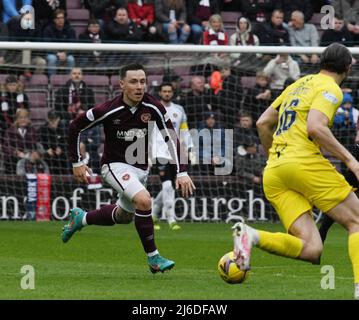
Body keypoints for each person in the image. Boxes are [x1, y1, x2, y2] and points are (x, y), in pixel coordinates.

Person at [231, 43, 359, 299]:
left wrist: (273, 157)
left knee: (312, 249)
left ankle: (251, 234)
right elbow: (315, 127)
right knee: (357, 220)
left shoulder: (297, 85)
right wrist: (350, 160)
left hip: (275, 170)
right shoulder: (330, 88)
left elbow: (263, 122)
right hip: (303, 163)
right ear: (348, 66)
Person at [62, 64, 195, 274]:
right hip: (113, 166)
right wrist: (77, 161)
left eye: (143, 81)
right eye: (134, 82)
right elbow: (74, 127)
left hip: (141, 169)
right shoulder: (108, 109)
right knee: (144, 200)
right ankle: (154, 258)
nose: (139, 86)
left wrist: (182, 171)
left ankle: (82, 218)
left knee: (124, 216)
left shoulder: (154, 107)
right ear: (122, 84)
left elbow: (172, 138)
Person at [151, 83, 194, 231]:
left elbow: (184, 130)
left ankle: (154, 215)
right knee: (168, 185)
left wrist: (189, 147)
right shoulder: (154, 109)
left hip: (175, 152)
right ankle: (171, 219)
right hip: (159, 152)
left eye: (169, 91)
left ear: (172, 93)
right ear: (160, 92)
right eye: (164, 91)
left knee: (169, 188)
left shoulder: (179, 110)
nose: (167, 93)